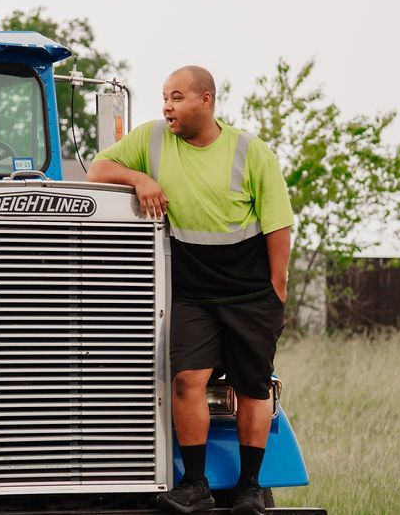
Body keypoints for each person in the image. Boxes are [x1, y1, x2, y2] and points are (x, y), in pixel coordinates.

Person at [87, 66, 292, 515]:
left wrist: (277, 293)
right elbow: (97, 170)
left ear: (206, 100)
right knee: (185, 382)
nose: (167, 106)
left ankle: (250, 489)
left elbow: (278, 227)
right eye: (164, 97)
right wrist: (140, 179)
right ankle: (195, 483)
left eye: (177, 97)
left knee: (252, 389)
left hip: (250, 295)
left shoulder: (250, 151)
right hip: (192, 294)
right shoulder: (152, 138)